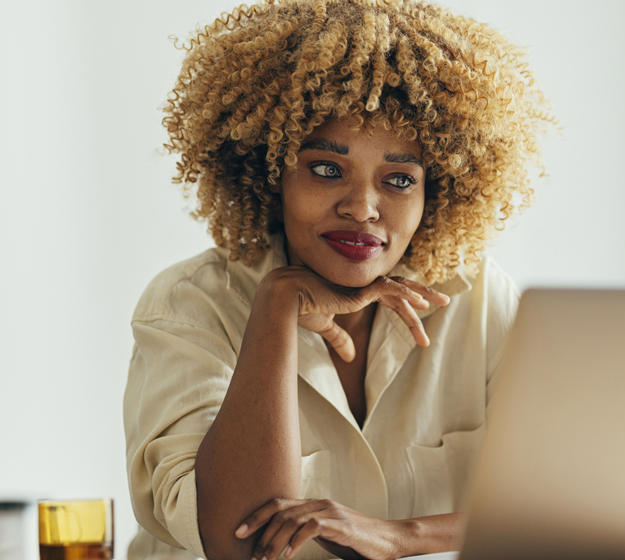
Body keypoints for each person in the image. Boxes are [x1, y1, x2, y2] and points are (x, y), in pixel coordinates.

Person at [123, 0, 552, 559]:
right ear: (269, 172)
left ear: (436, 191)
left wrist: (401, 536)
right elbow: (237, 544)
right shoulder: (191, 305)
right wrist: (277, 305)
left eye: (399, 179)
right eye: (327, 170)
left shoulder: (479, 301)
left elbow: (561, 510)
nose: (363, 208)